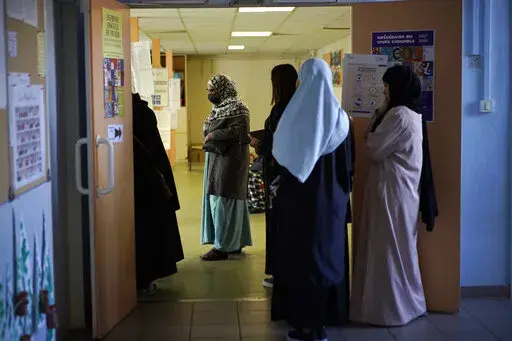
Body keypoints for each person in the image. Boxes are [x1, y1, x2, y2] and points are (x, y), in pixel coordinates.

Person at [270, 58, 351, 341]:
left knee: (301, 262)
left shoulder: (293, 118)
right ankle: (326, 321)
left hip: (299, 204)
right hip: (331, 204)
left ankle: (304, 324)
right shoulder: (341, 119)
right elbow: (347, 168)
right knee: (326, 259)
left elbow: (280, 157)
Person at [350, 64, 438, 327]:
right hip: (400, 191)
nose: (384, 90)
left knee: (388, 250)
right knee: (399, 249)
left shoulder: (399, 115)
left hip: (392, 191)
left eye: (387, 86)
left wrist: (375, 122)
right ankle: (407, 303)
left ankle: (390, 309)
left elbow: (373, 148)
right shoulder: (409, 113)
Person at [250, 64, 299, 289]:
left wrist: (256, 143)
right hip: (291, 176)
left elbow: (272, 144)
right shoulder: (298, 106)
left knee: (278, 224)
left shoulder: (280, 109)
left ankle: (280, 273)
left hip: (277, 177)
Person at [132, 93, 184, 294]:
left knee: (146, 230)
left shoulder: (135, 116)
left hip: (145, 182)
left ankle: (144, 279)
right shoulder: (144, 112)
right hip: (154, 179)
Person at [200, 74, 252, 261]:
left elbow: (240, 131)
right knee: (220, 201)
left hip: (231, 162)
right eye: (209, 90)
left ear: (223, 89)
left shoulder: (239, 107)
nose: (210, 94)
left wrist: (214, 135)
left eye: (212, 90)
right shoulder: (217, 109)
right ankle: (232, 243)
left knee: (225, 202)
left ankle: (222, 247)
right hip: (217, 160)